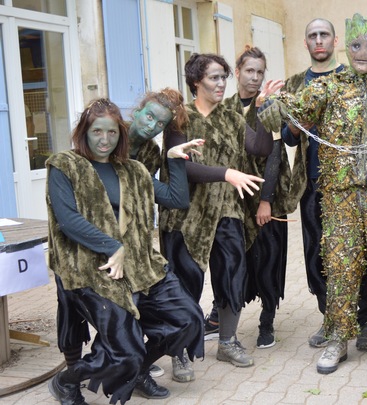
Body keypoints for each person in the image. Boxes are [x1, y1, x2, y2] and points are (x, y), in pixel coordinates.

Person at [259, 4, 367, 376]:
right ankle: (339, 338)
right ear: (346, 48)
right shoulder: (329, 86)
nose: (362, 53)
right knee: (340, 270)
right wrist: (271, 108)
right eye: (355, 45)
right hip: (339, 197)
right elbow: (292, 106)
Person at [46, 98, 205, 405]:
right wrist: (112, 247)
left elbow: (177, 198)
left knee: (188, 320)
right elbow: (68, 220)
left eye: (112, 133)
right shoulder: (65, 165)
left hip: (139, 265)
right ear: (84, 131)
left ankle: (140, 370)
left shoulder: (133, 170)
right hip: (91, 269)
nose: (104, 140)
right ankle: (66, 381)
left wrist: (174, 159)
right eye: (97, 132)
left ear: (121, 134)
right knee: (124, 351)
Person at [159, 53, 269, 370]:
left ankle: (228, 342)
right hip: (186, 215)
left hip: (227, 211)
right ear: (196, 82)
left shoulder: (233, 118)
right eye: (214, 77)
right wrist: (226, 173)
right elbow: (184, 167)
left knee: (233, 275)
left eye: (224, 77)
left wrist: (260, 111)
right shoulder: (180, 120)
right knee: (183, 284)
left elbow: (261, 148)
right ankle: (179, 352)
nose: (222, 83)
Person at [280, 17, 367, 350]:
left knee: (359, 255)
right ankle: (332, 318)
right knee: (317, 258)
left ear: (335, 41)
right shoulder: (295, 85)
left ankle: (366, 320)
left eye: (324, 35)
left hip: (352, 186)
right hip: (312, 185)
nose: (318, 40)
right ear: (306, 44)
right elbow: (288, 139)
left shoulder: (353, 78)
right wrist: (297, 125)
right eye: (312, 36)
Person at [223, 45, 292, 349]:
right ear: (237, 72)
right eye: (249, 71)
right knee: (233, 262)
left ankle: (267, 320)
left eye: (260, 72)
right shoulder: (223, 108)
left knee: (267, 260)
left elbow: (275, 153)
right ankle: (222, 316)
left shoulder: (270, 106)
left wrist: (266, 199)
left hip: (265, 196)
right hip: (232, 200)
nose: (254, 77)